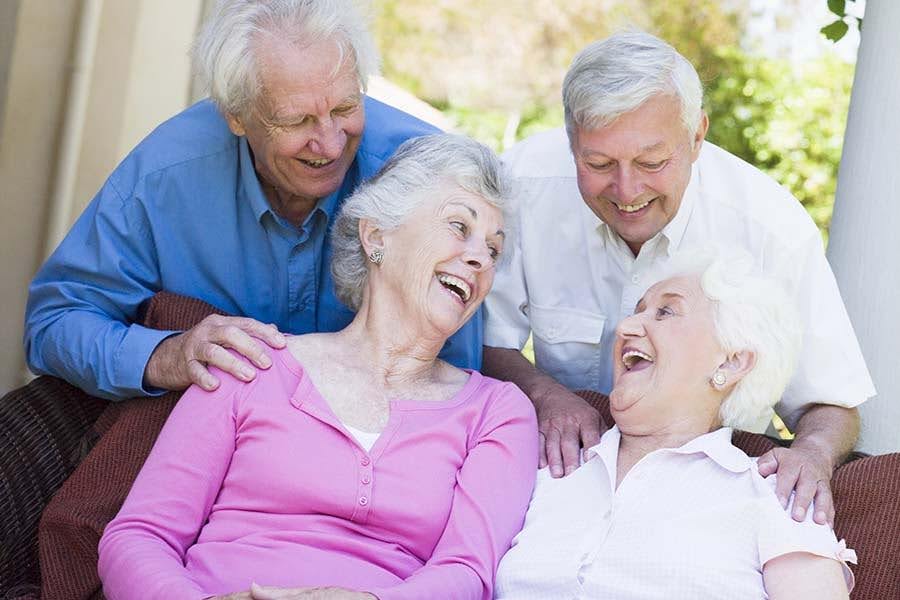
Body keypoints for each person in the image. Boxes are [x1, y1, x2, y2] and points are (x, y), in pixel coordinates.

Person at [98, 134, 538, 600]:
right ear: (376, 236)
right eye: (458, 226)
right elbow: (139, 536)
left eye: (493, 249)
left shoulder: (498, 412)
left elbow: (469, 572)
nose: (478, 258)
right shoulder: (252, 362)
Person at [482, 30, 874, 524]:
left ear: (696, 138)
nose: (627, 191)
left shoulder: (771, 228)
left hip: (706, 495)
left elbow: (830, 402)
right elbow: (481, 339)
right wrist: (545, 395)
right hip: (563, 475)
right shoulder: (521, 186)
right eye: (598, 163)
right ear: (571, 143)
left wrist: (812, 455)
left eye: (652, 162)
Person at [24, 0, 482, 402]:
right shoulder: (165, 175)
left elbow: (460, 374)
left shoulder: (426, 180)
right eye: (297, 121)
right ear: (236, 116)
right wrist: (166, 356)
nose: (329, 144)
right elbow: (55, 323)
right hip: (194, 430)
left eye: (344, 109)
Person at [493, 249, 856, 600]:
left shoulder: (774, 495)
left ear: (731, 362)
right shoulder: (544, 460)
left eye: (666, 312)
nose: (627, 326)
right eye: (637, 312)